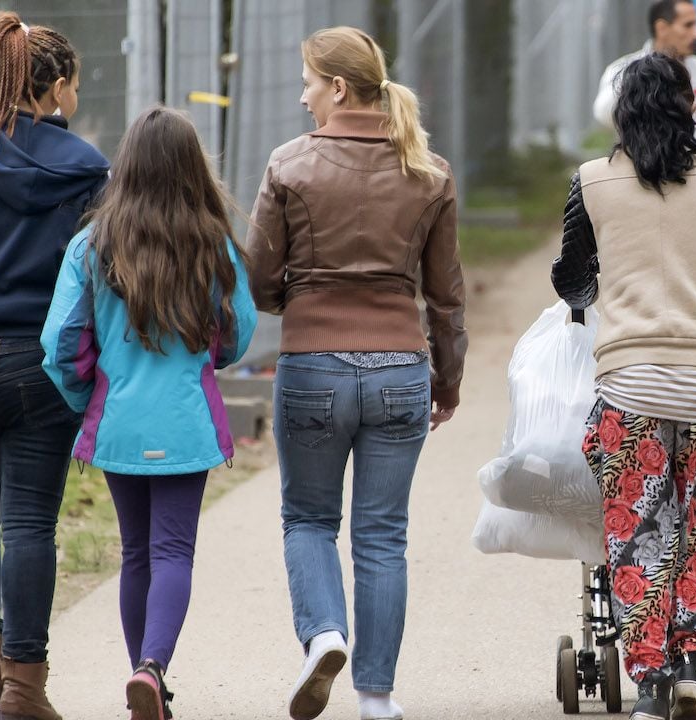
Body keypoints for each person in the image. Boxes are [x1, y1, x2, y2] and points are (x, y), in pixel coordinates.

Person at [246, 25, 467, 720]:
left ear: (337, 87)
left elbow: (258, 277)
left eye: (309, 81)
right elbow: (446, 296)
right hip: (402, 366)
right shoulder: (428, 171)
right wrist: (448, 381)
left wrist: (299, 300)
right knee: (383, 535)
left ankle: (324, 635)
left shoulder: (289, 164)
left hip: (312, 363)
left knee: (309, 518)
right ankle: (377, 696)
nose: (304, 94)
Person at [553, 53, 696, 720]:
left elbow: (572, 281)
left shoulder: (591, 183)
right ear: (690, 108)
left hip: (630, 388)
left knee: (638, 530)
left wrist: (601, 288)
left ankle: (647, 680)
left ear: (622, 111)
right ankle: (691, 666)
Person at [40, 106, 256, 720]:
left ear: (126, 166)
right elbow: (239, 336)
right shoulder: (213, 243)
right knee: (173, 552)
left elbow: (58, 345)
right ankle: (153, 671)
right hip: (186, 419)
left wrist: (92, 403)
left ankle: (147, 682)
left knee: (136, 552)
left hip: (119, 421)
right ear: (194, 170)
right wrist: (201, 360)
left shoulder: (91, 243)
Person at [0, 12, 108, 720]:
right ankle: (24, 686)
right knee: (32, 523)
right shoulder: (87, 168)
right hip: (40, 364)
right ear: (60, 86)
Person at [594, 0, 696, 162]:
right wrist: (637, 81)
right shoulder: (623, 69)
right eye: (688, 25)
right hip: (644, 175)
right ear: (662, 28)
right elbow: (603, 115)